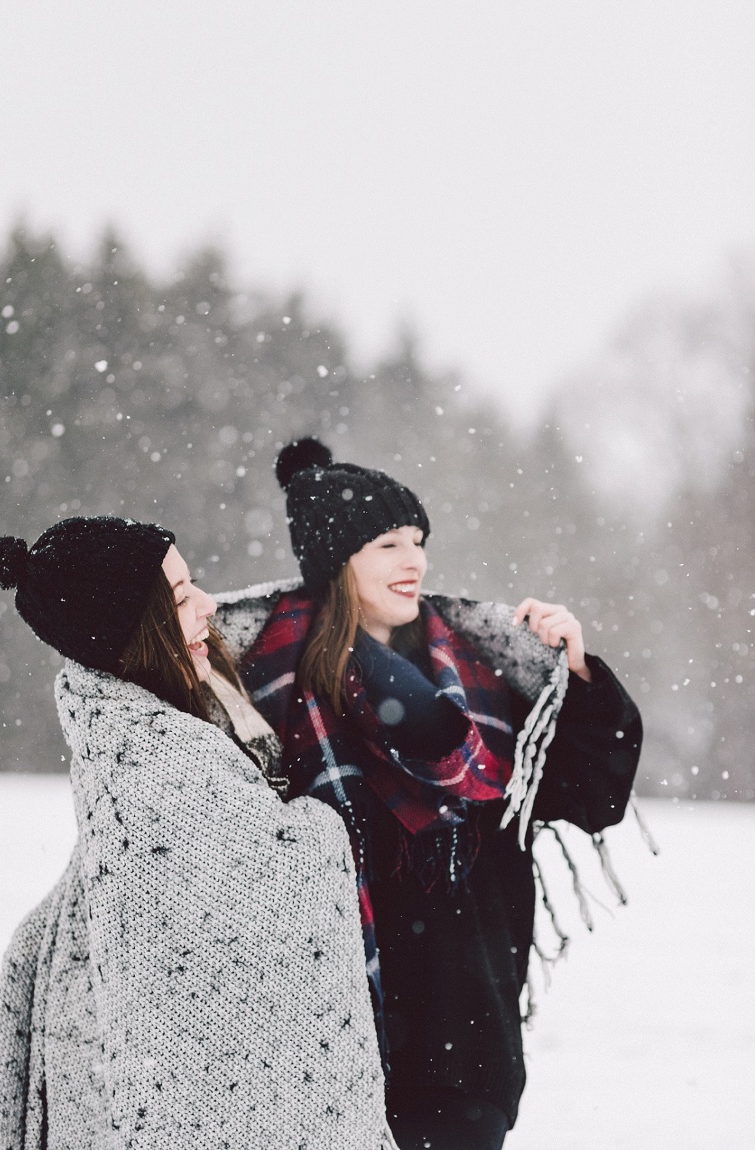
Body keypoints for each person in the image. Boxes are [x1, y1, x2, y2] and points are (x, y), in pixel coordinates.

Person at [213, 438, 642, 1150]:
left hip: (464, 1044)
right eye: (387, 544)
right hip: (320, 1044)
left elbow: (594, 796)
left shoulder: (484, 675)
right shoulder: (270, 694)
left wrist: (573, 670)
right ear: (334, 560)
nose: (414, 560)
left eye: (418, 541)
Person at [0, 516, 397, 1150]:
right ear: (130, 631)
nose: (207, 606)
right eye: (180, 597)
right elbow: (285, 885)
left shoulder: (117, 730)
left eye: (194, 584)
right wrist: (318, 823)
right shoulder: (165, 758)